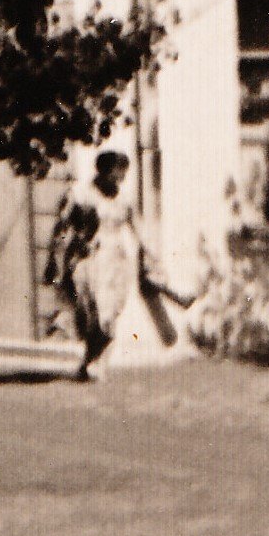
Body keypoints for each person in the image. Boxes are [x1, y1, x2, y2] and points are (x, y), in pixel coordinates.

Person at [43, 148, 185, 381]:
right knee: (92, 316)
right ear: (103, 171)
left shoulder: (124, 199)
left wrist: (151, 255)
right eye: (117, 172)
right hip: (87, 260)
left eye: (124, 173)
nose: (121, 178)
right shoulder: (80, 194)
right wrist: (53, 257)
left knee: (108, 317)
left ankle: (94, 366)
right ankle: (89, 361)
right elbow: (61, 227)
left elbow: (138, 229)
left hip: (115, 263)